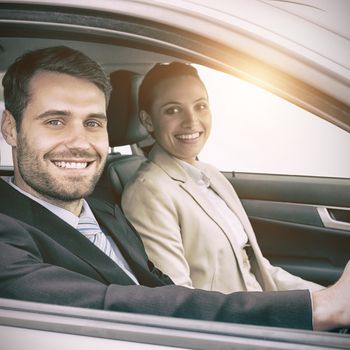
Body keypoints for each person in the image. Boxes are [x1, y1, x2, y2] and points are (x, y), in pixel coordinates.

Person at [0, 46, 349, 332]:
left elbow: (159, 286)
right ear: (11, 128)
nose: (79, 143)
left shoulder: (103, 209)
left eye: (93, 123)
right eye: (55, 121)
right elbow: (118, 305)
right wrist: (316, 308)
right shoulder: (7, 236)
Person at [122, 62, 325, 294]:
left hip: (260, 307)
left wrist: (321, 298)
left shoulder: (209, 174)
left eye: (200, 106)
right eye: (173, 110)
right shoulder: (148, 191)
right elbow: (179, 299)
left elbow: (257, 269)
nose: (191, 121)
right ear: (148, 121)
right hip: (232, 324)